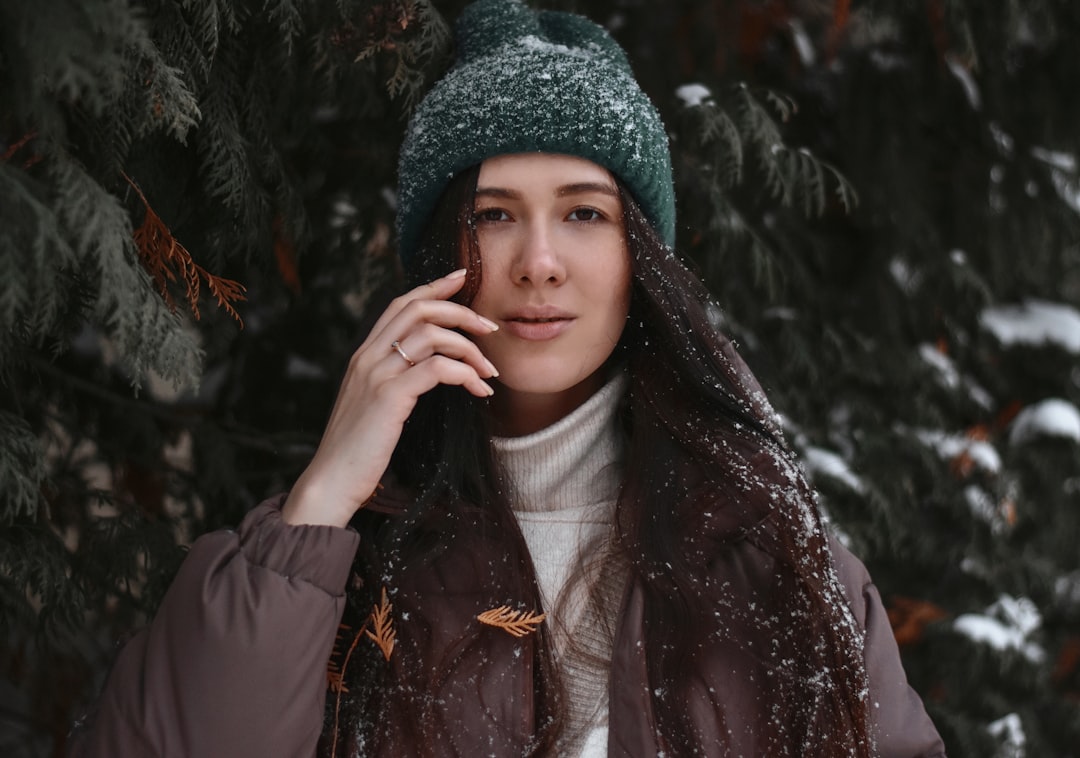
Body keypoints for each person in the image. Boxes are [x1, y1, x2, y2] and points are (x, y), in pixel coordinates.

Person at [69, 0, 946, 756]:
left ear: (640, 256)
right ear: (436, 258)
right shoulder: (333, 569)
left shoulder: (775, 564)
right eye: (493, 215)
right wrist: (323, 497)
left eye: (583, 213)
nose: (539, 262)